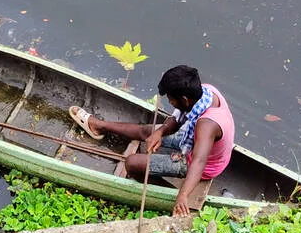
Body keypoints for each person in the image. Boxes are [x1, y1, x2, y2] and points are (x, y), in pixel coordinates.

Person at [68, 65, 234, 217]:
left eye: (171, 99)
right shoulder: (204, 92)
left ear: (184, 100)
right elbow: (177, 118)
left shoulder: (206, 125)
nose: (170, 102)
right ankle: (99, 126)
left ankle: (172, 196)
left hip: (205, 164)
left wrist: (183, 195)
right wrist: (160, 132)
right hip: (193, 142)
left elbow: (199, 161)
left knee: (132, 164)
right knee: (148, 131)